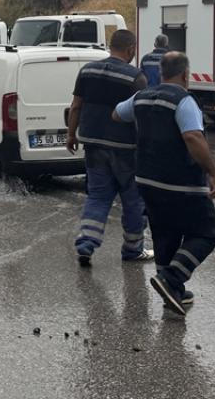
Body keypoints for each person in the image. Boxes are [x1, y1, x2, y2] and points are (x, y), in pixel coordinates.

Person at [113, 51, 215, 317]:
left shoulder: (141, 97)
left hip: (147, 180)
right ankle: (172, 278)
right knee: (207, 233)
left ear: (160, 73)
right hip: (181, 183)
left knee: (165, 235)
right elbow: (194, 138)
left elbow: (117, 114)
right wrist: (213, 173)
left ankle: (172, 295)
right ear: (186, 74)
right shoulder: (184, 101)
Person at [66, 29, 152, 266]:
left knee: (98, 197)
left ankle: (86, 244)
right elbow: (142, 116)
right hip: (126, 149)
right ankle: (133, 249)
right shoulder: (136, 78)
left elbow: (75, 106)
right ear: (131, 49)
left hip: (93, 146)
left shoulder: (87, 71)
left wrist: (71, 134)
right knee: (133, 200)